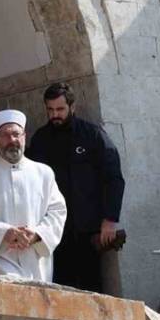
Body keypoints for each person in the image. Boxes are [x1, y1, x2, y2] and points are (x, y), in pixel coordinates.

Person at [26, 83, 125, 292]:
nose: (55, 115)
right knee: (63, 290)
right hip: (55, 232)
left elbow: (113, 178)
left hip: (88, 230)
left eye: (60, 109)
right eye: (50, 110)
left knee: (93, 289)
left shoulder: (92, 135)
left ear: (72, 107)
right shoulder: (40, 141)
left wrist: (110, 219)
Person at [0, 109, 67, 283]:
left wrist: (37, 234)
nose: (12, 140)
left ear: (24, 136)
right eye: (5, 135)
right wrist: (4, 233)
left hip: (37, 259)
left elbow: (57, 212)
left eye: (16, 134)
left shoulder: (44, 172)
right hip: (2, 260)